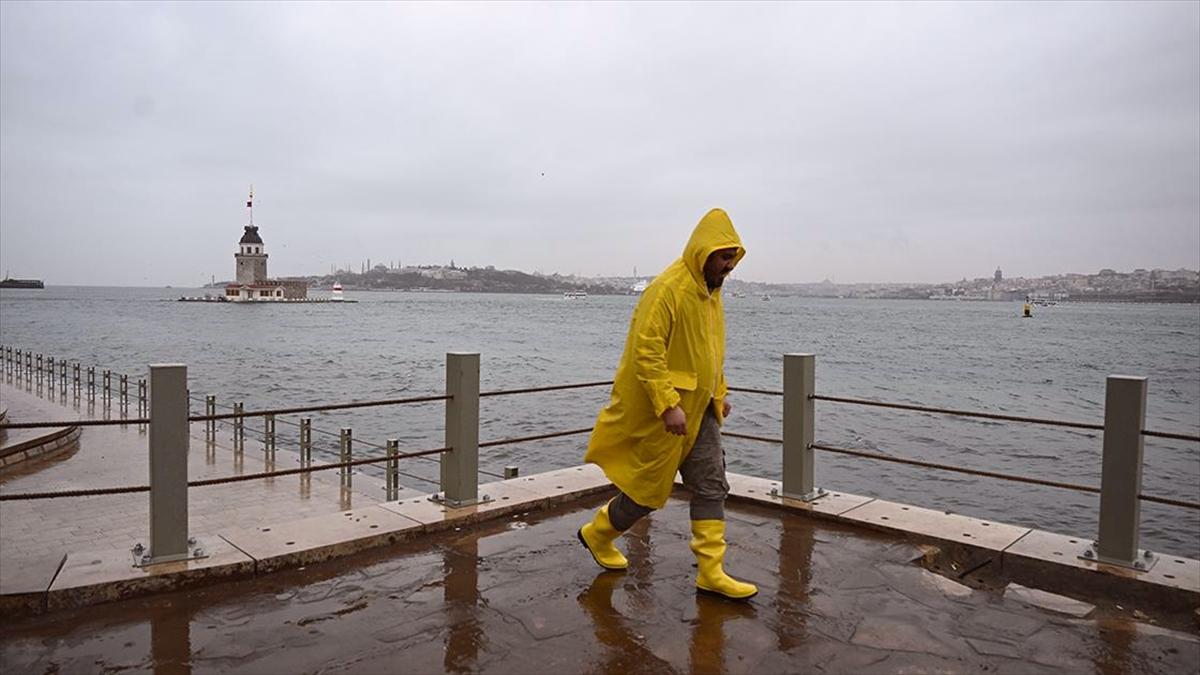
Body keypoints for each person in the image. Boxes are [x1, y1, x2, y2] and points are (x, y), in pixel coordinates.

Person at [577, 207, 756, 601]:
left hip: (702, 411)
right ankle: (599, 533)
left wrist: (720, 394)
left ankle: (711, 571)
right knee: (647, 492)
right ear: (702, 252)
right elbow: (647, 350)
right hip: (669, 414)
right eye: (723, 257)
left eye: (733, 258)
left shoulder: (712, 296)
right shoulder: (667, 289)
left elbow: (711, 353)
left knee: (712, 485)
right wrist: (666, 404)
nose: (728, 266)